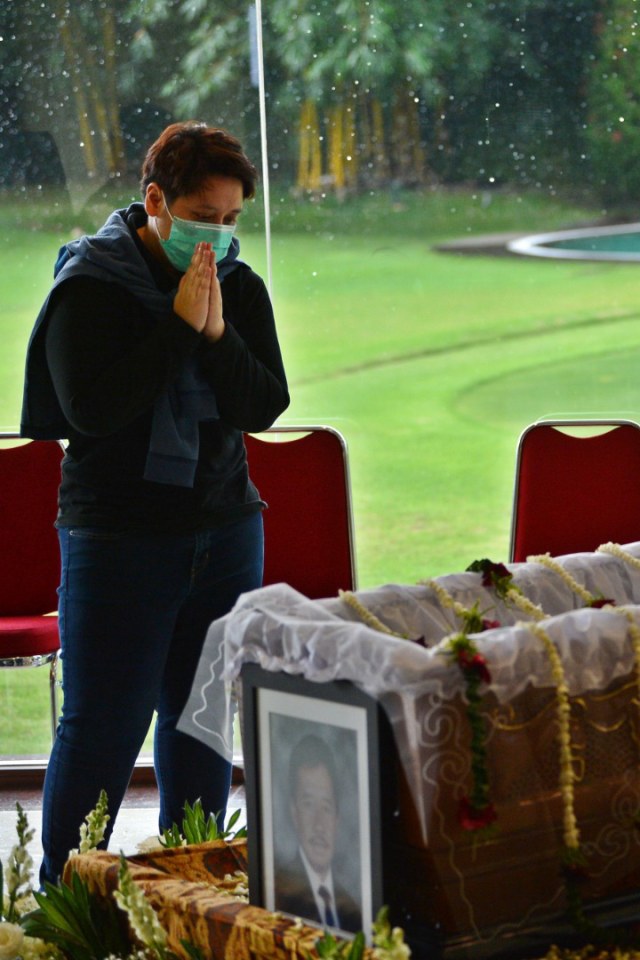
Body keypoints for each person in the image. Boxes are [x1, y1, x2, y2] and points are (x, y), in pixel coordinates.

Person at [20, 120, 289, 884]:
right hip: (121, 539)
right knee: (104, 727)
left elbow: (263, 403)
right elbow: (92, 411)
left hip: (224, 527)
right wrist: (178, 328)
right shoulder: (91, 286)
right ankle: (71, 901)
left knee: (201, 726)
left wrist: (213, 335)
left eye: (232, 219)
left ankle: (189, 890)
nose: (219, 235)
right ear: (155, 202)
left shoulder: (238, 287)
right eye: (205, 215)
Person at [275, 734, 362, 933]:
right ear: (294, 812)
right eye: (308, 805)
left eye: (326, 807)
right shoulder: (278, 893)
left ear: (337, 818)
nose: (319, 824)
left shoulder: (352, 908)